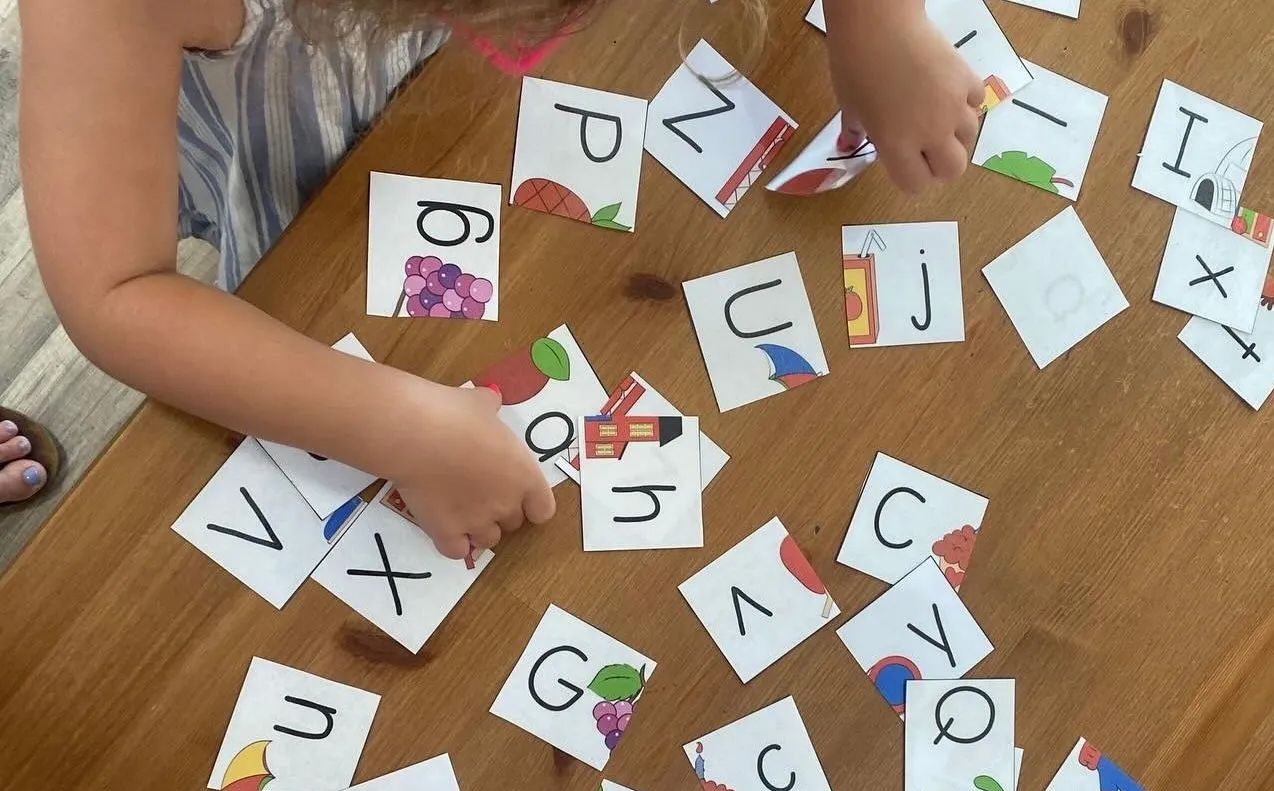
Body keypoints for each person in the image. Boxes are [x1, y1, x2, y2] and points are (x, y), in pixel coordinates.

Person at [17, 0, 983, 557]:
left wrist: (878, 21)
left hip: (471, 142)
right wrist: (392, 423)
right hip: (293, 172)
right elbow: (115, 293)